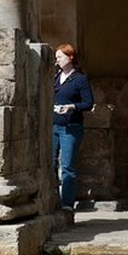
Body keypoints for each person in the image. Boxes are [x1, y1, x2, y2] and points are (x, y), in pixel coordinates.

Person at [53, 43, 94, 221]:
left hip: (71, 127)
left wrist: (71, 107)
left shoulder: (80, 79)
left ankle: (67, 205)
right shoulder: (56, 77)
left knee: (68, 166)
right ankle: (52, 200)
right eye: (56, 57)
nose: (57, 60)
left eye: (60, 56)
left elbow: (88, 103)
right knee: (51, 163)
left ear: (70, 58)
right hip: (55, 126)